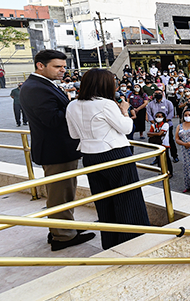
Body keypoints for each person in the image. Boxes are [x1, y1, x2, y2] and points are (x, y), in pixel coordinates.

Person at [65, 68, 150, 249]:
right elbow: (127, 129)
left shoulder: (72, 105)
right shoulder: (105, 104)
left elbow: (73, 134)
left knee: (103, 200)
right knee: (127, 199)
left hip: (89, 155)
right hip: (114, 154)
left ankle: (110, 243)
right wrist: (125, 111)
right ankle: (132, 242)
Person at [19, 49, 95, 251]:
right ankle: (62, 236)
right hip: (56, 150)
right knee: (60, 194)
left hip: (59, 148)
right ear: (40, 65)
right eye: (57, 67)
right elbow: (52, 119)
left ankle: (62, 228)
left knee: (65, 192)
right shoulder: (36, 88)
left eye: (64, 66)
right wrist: (75, 107)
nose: (63, 70)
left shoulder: (41, 84)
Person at [147, 111, 173, 176]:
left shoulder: (165, 124)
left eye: (160, 116)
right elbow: (149, 134)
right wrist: (156, 134)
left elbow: (159, 133)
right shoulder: (153, 125)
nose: (158, 118)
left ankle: (169, 172)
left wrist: (153, 134)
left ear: (163, 117)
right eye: (156, 117)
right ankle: (161, 171)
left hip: (164, 144)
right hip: (157, 144)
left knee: (166, 158)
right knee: (159, 158)